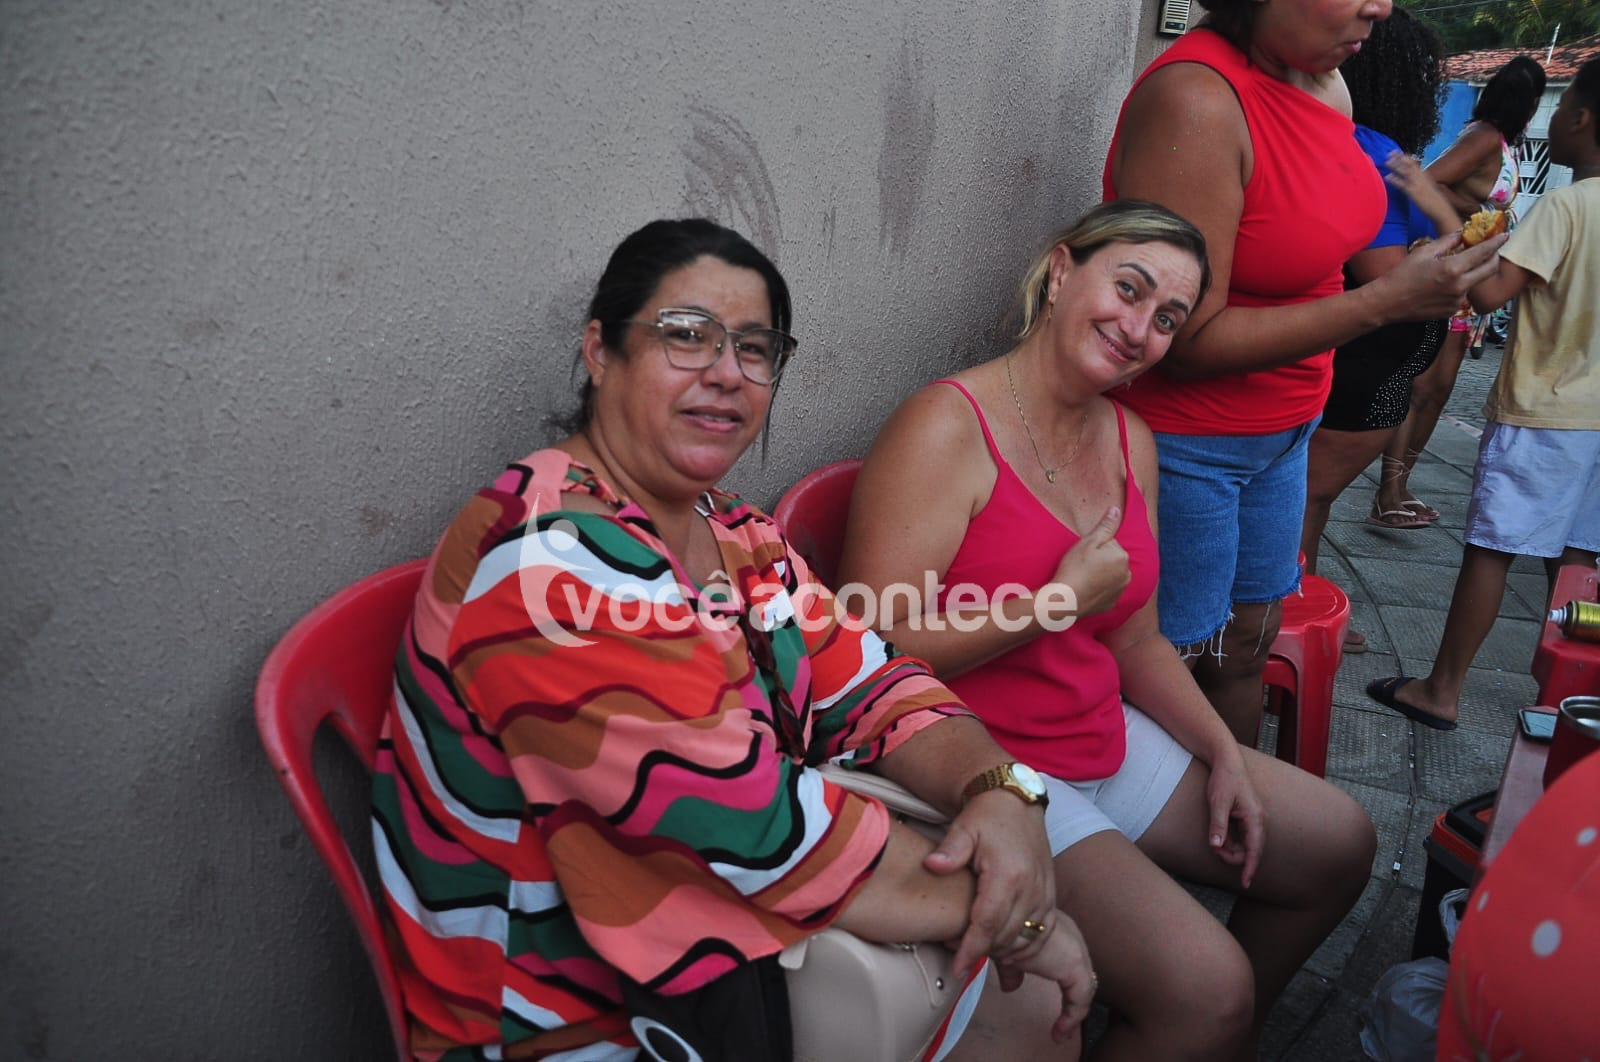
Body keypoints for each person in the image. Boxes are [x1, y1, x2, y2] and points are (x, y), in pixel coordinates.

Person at [371, 218, 1094, 1059]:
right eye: (686, 336)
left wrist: (1000, 790)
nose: (725, 372)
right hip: (571, 1020)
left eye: (755, 349)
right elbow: (751, 826)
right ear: (601, 352)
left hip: (717, 959)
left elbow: (871, 682)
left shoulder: (734, 533)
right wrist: (1022, 918)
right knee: (1037, 1001)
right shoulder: (551, 563)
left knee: (1033, 1016)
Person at [837, 200, 1379, 1061]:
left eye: (1167, 318)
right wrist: (1053, 603)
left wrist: (1224, 751)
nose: (1139, 328)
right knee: (1209, 990)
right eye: (1129, 289)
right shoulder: (945, 424)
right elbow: (870, 645)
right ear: (1060, 272)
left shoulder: (1131, 437)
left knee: (1337, 843)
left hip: (1098, 736)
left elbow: (1134, 641)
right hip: (987, 762)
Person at [1100, 0, 1505, 746]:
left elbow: (1313, 254)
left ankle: (1236, 803)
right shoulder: (1198, 100)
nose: (1380, 7)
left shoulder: (1327, 83)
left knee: (1247, 647)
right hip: (1189, 443)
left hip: (1288, 426)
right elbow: (1182, 340)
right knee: (1176, 666)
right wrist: (1384, 302)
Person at [1367, 59, 1600, 731]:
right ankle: (1561, 700)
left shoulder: (1567, 205)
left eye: (1563, 108)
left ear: (1582, 119)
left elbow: (1490, 291)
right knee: (1577, 565)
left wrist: (1437, 205)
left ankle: (1440, 690)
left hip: (1543, 412)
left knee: (1492, 550)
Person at [1300, 7, 1458, 633]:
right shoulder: (1372, 154)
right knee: (1307, 499)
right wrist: (1441, 223)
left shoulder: (1372, 149)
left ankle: (1298, 608)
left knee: (1309, 499)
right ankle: (1293, 616)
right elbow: (1388, 276)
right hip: (1363, 367)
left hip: (1375, 369)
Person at [1371, 55, 1547, 528]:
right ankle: (1388, 492)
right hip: (1451, 269)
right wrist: (1477, 209)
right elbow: (1423, 182)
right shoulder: (1484, 136)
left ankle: (1400, 485)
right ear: (1529, 103)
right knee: (1422, 387)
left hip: (1472, 277)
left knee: (1438, 391)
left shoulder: (1500, 141)